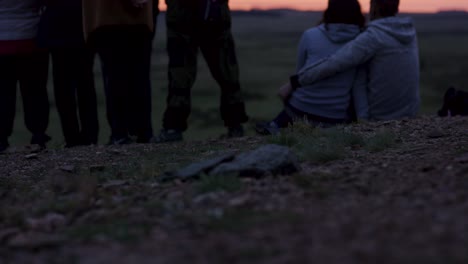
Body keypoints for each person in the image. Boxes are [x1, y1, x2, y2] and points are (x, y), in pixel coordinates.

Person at [291, 0, 420, 121]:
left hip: (381, 117)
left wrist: (297, 80)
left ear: (373, 6)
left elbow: (335, 62)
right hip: (410, 113)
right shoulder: (408, 31)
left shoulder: (373, 36)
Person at [256, 0, 367, 135]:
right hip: (333, 118)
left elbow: (300, 72)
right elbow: (359, 87)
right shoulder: (362, 43)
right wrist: (364, 122)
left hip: (298, 111)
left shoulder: (310, 35)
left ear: (328, 12)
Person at [153, 0, 249, 143]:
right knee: (183, 75)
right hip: (192, 15)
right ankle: (235, 127)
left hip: (200, 15)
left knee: (224, 73)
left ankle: (173, 129)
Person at [83, 0, 156, 145]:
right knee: (128, 76)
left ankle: (126, 133)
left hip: (115, 18)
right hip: (115, 17)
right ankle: (132, 132)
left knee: (121, 77)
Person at [38, 0, 98, 148]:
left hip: (59, 32)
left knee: (64, 88)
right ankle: (89, 135)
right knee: (85, 85)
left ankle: (73, 137)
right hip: (81, 28)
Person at [0, 0, 50, 153]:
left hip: (2, 40)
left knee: (3, 94)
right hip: (31, 37)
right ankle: (38, 135)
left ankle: (1, 139)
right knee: (35, 91)